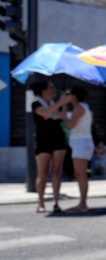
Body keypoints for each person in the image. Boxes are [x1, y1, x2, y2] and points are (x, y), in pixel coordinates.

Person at [30, 81, 70, 214]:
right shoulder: (36, 104)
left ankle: (56, 202)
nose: (54, 90)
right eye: (51, 88)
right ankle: (40, 202)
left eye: (54, 87)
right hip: (43, 141)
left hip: (58, 139)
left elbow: (61, 116)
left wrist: (63, 103)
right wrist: (60, 103)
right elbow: (46, 113)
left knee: (56, 173)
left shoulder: (54, 104)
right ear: (43, 90)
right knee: (42, 174)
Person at [64, 86, 94, 213]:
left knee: (81, 174)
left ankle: (83, 203)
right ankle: (82, 202)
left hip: (81, 143)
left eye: (68, 93)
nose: (66, 96)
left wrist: (64, 109)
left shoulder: (79, 108)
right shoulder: (85, 106)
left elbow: (70, 125)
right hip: (82, 142)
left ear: (74, 96)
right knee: (80, 174)